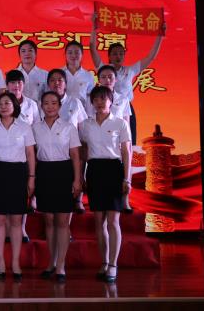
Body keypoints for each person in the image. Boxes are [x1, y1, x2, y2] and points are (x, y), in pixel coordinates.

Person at [79, 86, 132, 284]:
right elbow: (84, 153)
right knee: (98, 221)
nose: (100, 103)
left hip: (113, 170)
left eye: (103, 99)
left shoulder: (120, 123)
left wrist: (126, 179)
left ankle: (113, 265)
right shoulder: (85, 125)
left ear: (111, 101)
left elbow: (126, 152)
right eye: (96, 99)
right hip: (94, 170)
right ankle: (104, 262)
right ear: (92, 102)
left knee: (113, 221)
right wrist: (81, 176)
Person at [0, 92, 36, 281]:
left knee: (16, 220)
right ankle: (0, 262)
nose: (3, 107)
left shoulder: (24, 127)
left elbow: (30, 154)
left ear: (15, 106)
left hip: (18, 174)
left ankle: (15, 262)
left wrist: (31, 177)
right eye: (0, 104)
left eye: (7, 103)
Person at [90, 14, 165, 145]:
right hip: (105, 107)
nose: (118, 56)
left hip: (125, 108)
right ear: (109, 56)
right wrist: (94, 27)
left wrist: (160, 36)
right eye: (114, 54)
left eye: (121, 53)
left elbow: (151, 57)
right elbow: (92, 48)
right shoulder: (104, 69)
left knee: (129, 141)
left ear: (124, 55)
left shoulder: (130, 70)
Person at [33, 91, 82, 283]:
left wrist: (77, 180)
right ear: (41, 106)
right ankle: (51, 263)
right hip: (44, 172)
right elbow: (32, 155)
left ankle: (61, 266)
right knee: (49, 221)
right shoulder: (35, 128)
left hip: (64, 172)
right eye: (46, 103)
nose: (50, 106)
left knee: (62, 222)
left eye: (54, 103)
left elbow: (76, 156)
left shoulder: (69, 127)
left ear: (60, 106)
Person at [0, 69, 39, 243]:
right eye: (12, 82)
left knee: (21, 195)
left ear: (23, 85)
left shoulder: (32, 105)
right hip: (2, 158)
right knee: (3, 198)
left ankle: (22, 228)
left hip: (24, 153)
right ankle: (5, 230)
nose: (16, 86)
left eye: (19, 82)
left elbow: (36, 127)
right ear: (7, 85)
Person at [45, 68, 89, 213]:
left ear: (65, 84)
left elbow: (83, 127)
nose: (56, 83)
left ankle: (78, 199)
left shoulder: (75, 102)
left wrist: (83, 147)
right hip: (50, 150)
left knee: (75, 176)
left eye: (60, 80)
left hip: (72, 149)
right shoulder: (43, 103)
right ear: (48, 84)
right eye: (52, 80)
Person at [91, 65, 134, 213]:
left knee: (125, 165)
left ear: (116, 79)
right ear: (98, 79)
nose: (107, 80)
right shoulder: (93, 97)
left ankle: (125, 199)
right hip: (99, 140)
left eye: (110, 77)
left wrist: (127, 141)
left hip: (118, 139)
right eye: (103, 77)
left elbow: (126, 121)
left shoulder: (123, 99)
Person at [62, 40, 94, 106]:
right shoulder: (58, 73)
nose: (73, 55)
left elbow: (90, 98)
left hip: (81, 111)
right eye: (70, 53)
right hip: (61, 110)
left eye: (77, 52)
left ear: (82, 54)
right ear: (65, 54)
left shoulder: (88, 76)